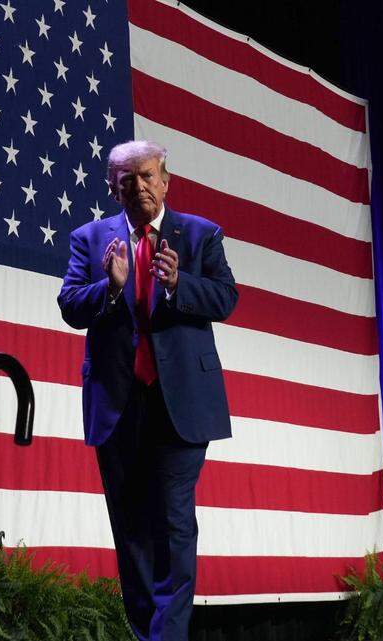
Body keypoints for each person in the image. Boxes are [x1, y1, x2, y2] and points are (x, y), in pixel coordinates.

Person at [58, 140, 238, 641]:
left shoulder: (200, 236)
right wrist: (109, 289)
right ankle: (147, 635)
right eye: (127, 179)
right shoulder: (89, 240)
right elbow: (71, 305)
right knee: (132, 531)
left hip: (178, 405)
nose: (139, 186)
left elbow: (226, 297)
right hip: (118, 407)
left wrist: (181, 284)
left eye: (147, 176)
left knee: (174, 523)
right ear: (112, 188)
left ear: (165, 180)